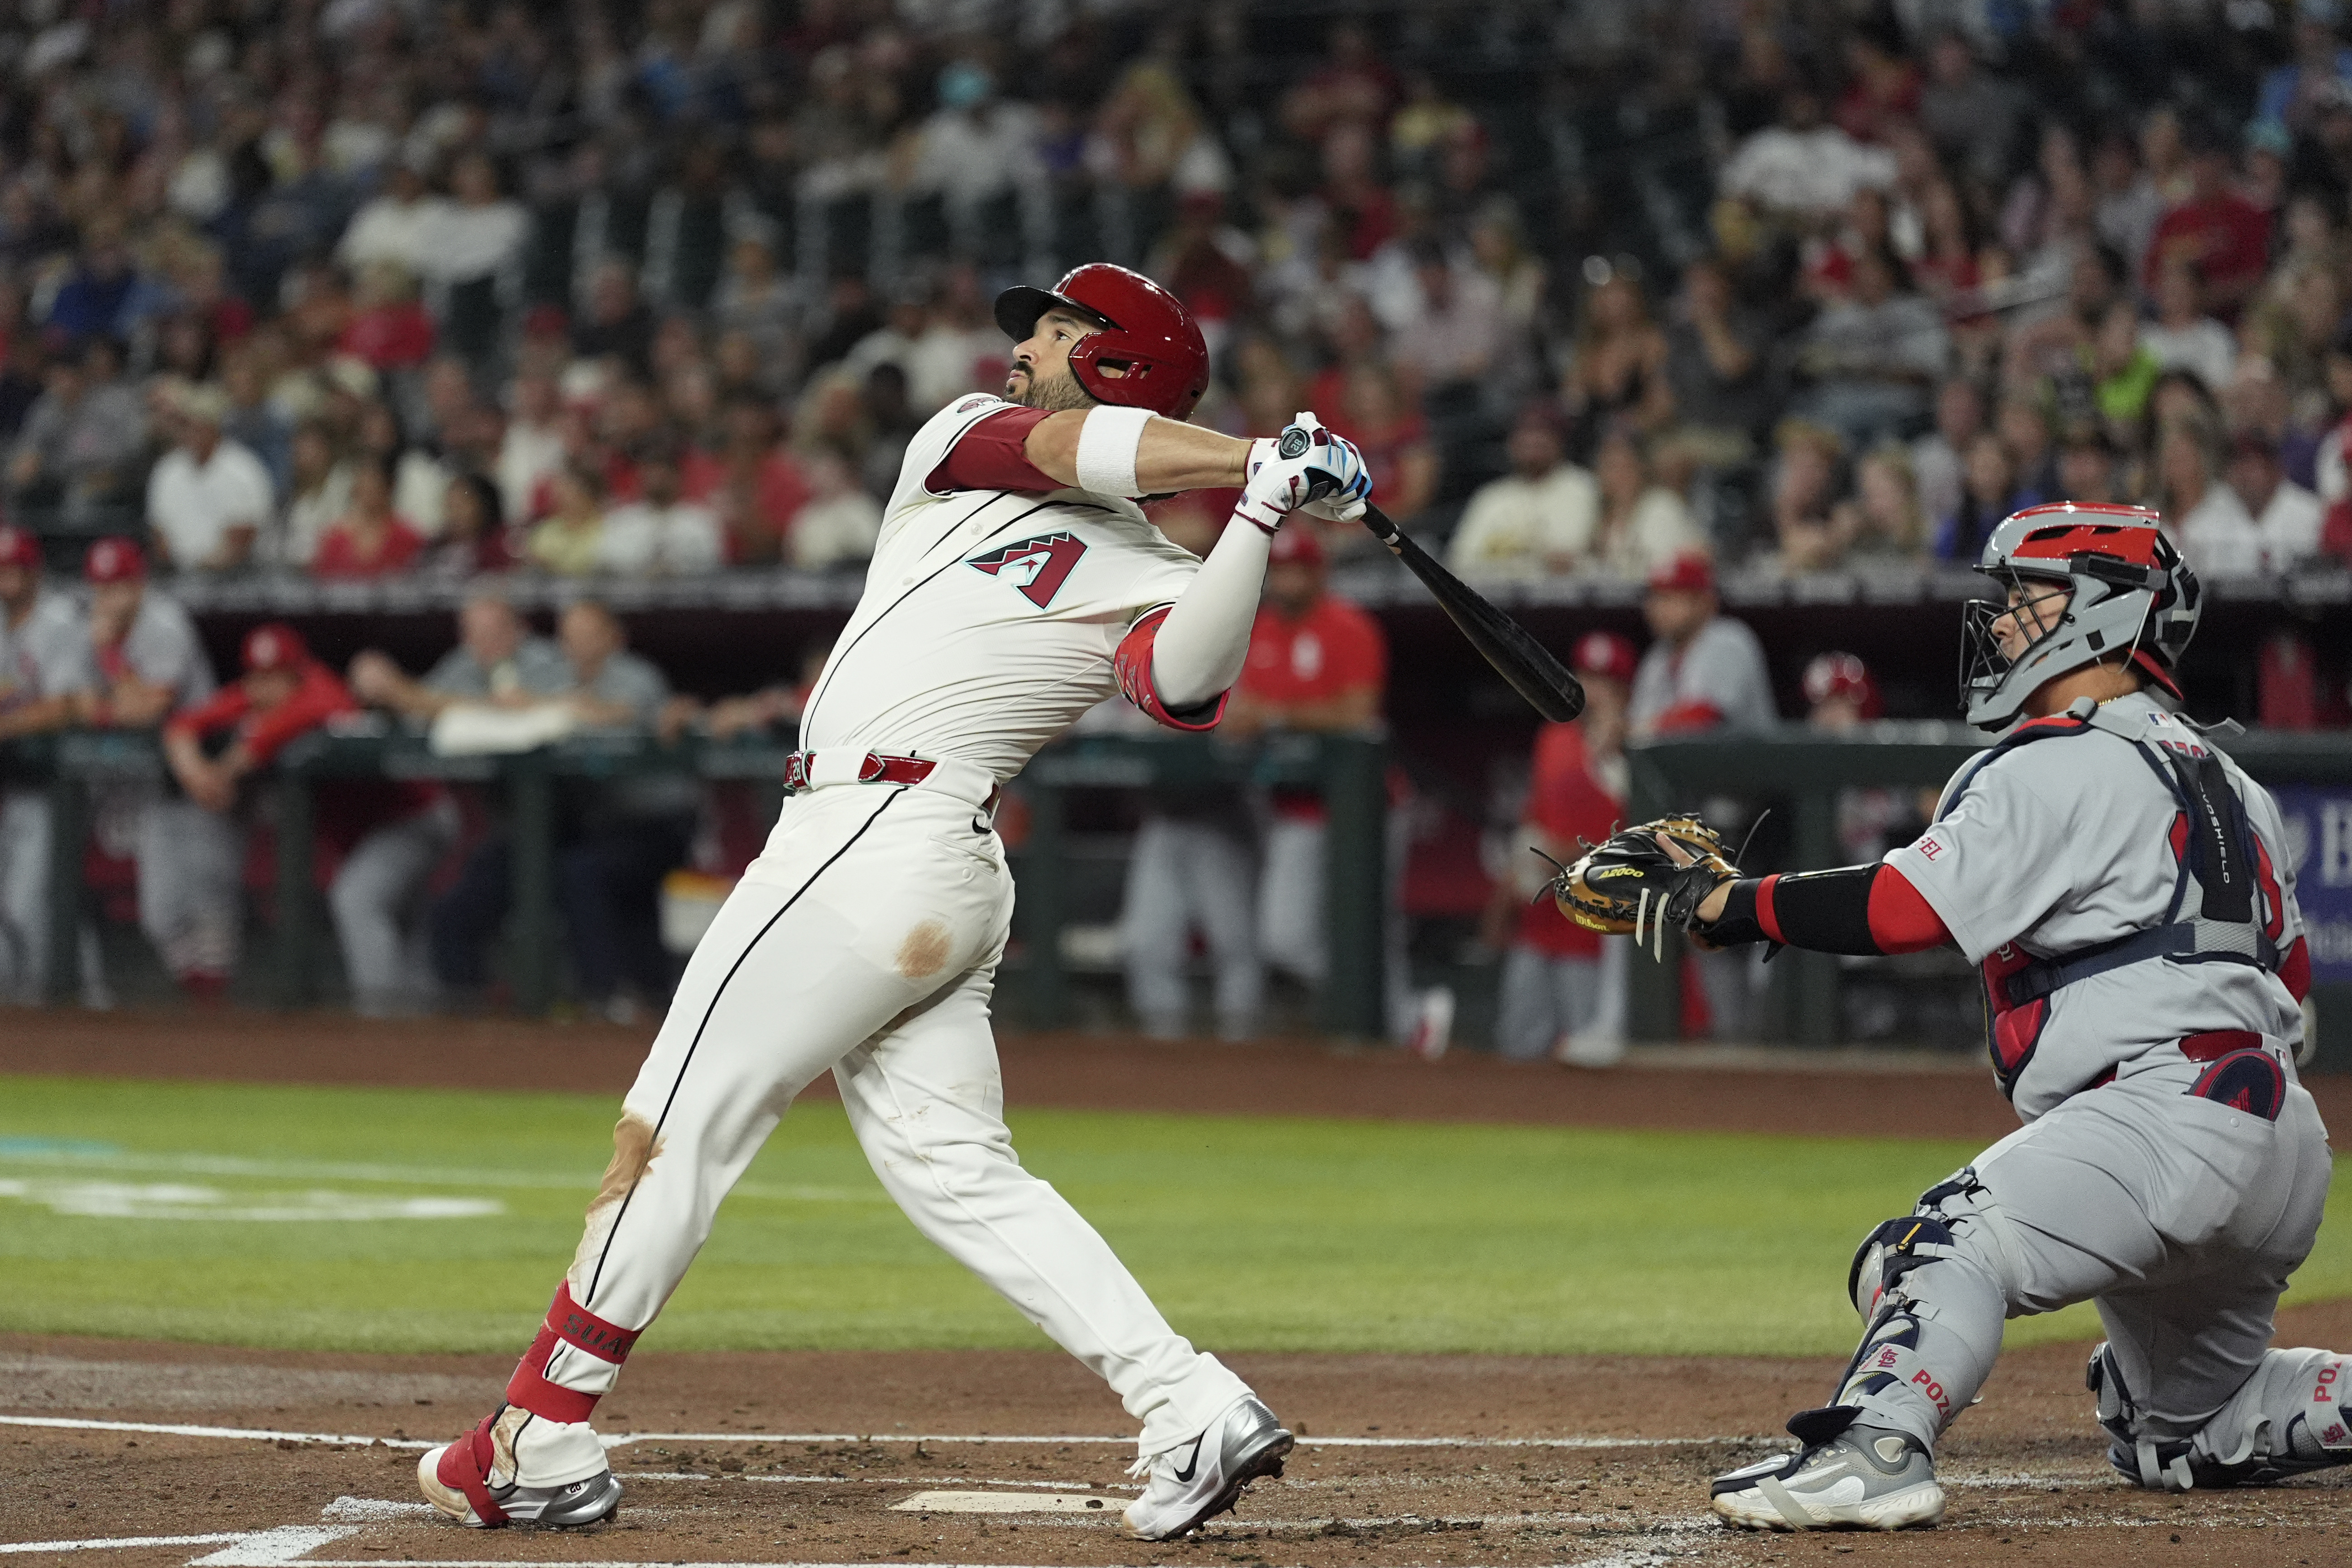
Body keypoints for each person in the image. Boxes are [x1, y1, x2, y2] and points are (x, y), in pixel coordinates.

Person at [416, 263, 1372, 1541]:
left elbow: (1188, 687)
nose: (1023, 349)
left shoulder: (1153, 568)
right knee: (958, 1169)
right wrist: (1261, 457)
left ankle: (537, 1432)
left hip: (873, 838)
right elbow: (1070, 442)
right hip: (924, 868)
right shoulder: (959, 450)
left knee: (678, 1120)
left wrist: (1256, 517)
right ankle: (1188, 1402)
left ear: (1119, 355)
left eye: (1054, 331)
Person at [1667, 505, 2336, 1531]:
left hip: (2154, 1120)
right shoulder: (2236, 783)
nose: (2006, 621)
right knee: (2178, 1430)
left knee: (1933, 1246)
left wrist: (1734, 903)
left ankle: (1877, 1446)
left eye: (2030, 598)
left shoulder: (2053, 756)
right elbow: (2291, 979)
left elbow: (1900, 909)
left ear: (2105, 616)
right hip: (2282, 1141)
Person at [164, 623, 456, 1016]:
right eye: (259, 677)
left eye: (279, 676)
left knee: (358, 900)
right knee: (404, 927)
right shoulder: (258, 698)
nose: (268, 688)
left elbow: (277, 730)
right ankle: (427, 1029)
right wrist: (195, 772)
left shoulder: (323, 691)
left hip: (414, 818)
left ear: (298, 671)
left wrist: (224, 771)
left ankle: (386, 1023)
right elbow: (182, 724)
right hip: (377, 830)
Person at [1223, 523, 1387, 996]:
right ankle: (1354, 1004)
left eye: (1299, 571)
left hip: (1360, 808)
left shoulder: (1349, 626)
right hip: (1290, 808)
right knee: (1288, 940)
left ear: (1320, 573)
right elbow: (1239, 709)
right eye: (1281, 571)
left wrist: (1274, 716)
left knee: (1371, 930)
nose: (1288, 582)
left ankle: (1396, 1028)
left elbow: (1357, 713)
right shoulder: (1263, 628)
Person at [71, 538, 231, 997]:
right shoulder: (93, 626)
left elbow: (148, 712)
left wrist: (111, 662)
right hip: (154, 784)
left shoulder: (164, 623)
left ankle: (228, 1022)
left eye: (119, 585)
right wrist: (111, 703)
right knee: (160, 915)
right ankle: (204, 1001)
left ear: (139, 583)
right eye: (101, 587)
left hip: (200, 769)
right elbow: (79, 705)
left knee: (210, 905)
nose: (109, 597)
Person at [1484, 632, 1634, 1067]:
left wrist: (1566, 854)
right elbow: (1534, 825)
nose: (1594, 689)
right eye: (1586, 676)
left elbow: (1641, 845)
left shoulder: (1637, 749)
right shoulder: (1554, 738)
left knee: (1587, 1059)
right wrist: (1503, 899)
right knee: (1517, 1048)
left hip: (1593, 934)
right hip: (1539, 923)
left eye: (1606, 680)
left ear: (1626, 689)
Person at [0, 523, 93, 1001]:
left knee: (29, 905)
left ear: (34, 571)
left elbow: (66, 706)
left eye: (15, 570)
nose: (6, 581)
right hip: (9, 786)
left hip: (53, 787)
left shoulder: (59, 621)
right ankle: (24, 1014)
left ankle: (68, 1005)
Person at [1445, 407, 1598, 579]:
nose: (1532, 442)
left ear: (1559, 441)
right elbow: (1459, 560)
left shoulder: (1582, 486)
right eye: (1525, 435)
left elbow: (1570, 556)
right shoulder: (1492, 496)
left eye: (1541, 434)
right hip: (1492, 598)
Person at [146, 381, 276, 573]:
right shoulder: (167, 470)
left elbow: (244, 536)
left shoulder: (243, 469)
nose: (192, 434)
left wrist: (206, 567)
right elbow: (159, 534)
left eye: (199, 427)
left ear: (215, 428)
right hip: (177, 574)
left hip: (239, 575)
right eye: (186, 426)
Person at [313, 456, 426, 579]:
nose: (368, 491)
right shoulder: (334, 539)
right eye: (363, 486)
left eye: (374, 485)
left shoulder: (407, 537)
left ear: (388, 488)